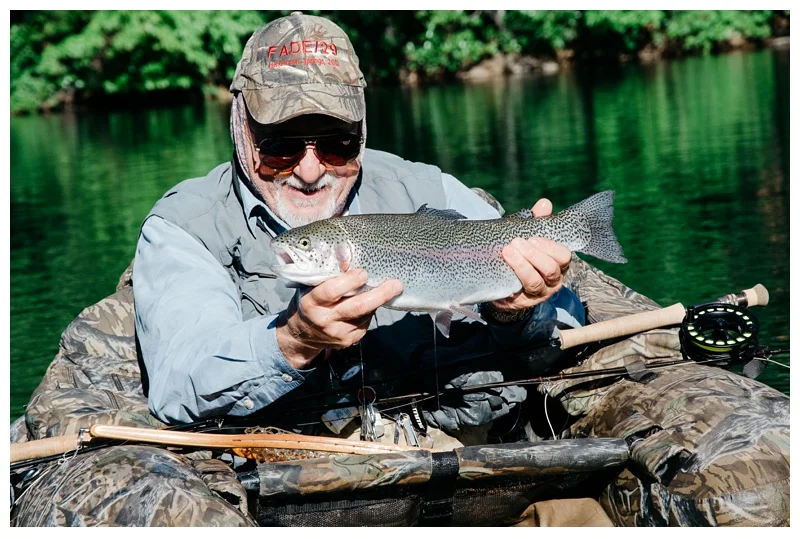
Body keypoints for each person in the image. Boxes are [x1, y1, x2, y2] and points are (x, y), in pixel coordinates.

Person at [132, 11, 583, 439]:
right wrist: (291, 341)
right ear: (239, 128)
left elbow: (567, 321)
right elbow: (177, 382)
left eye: (336, 143)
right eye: (280, 146)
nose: (309, 172)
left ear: (362, 131)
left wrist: (516, 311)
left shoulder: (428, 190)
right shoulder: (185, 228)